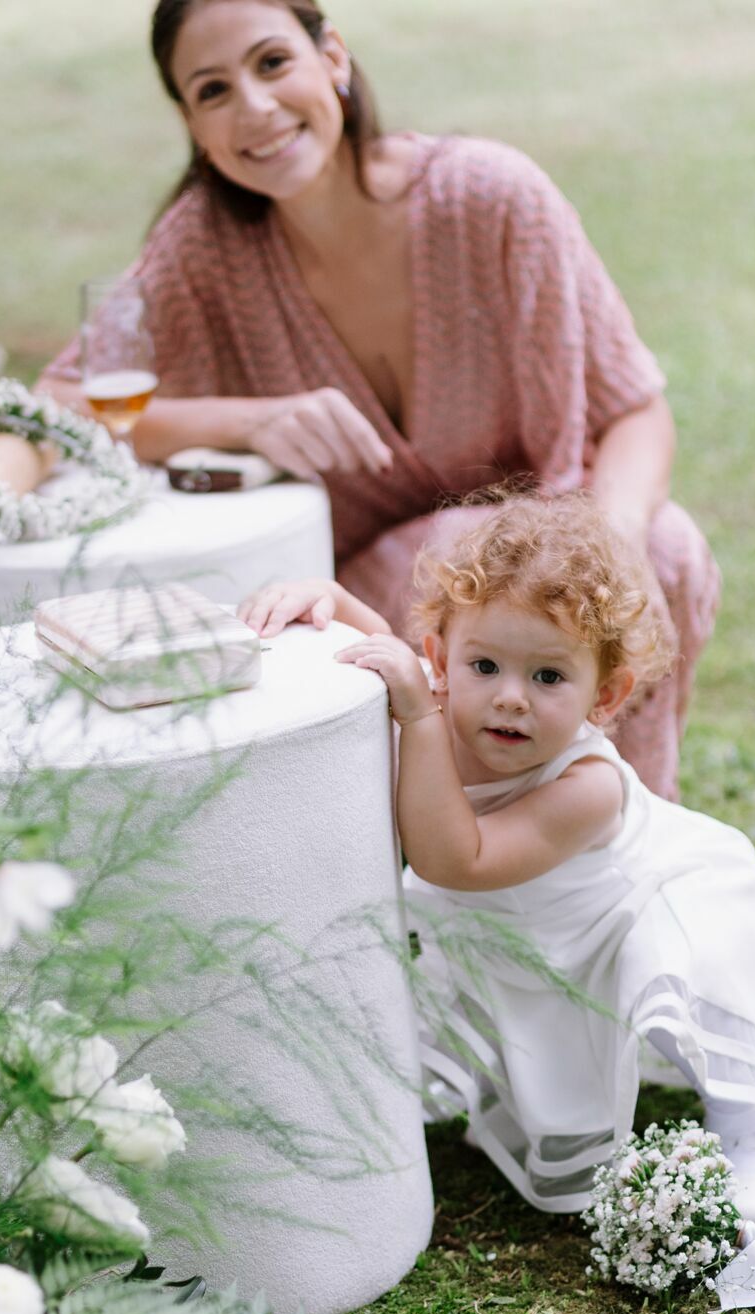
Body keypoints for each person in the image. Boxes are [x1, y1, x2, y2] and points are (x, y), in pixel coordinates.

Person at [39, 0, 720, 799]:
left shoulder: (487, 197)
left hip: (536, 547)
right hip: (355, 587)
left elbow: (634, 408)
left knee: (662, 550)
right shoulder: (205, 248)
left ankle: (627, 826)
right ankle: (451, 849)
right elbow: (58, 403)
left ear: (332, 56)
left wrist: (612, 543)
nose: (254, 108)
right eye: (212, 90)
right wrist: (252, 421)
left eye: (272, 63)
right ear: (192, 122)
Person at [238, 493, 755, 1224]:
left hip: (631, 905)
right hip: (523, 929)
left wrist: (418, 717)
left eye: (548, 678)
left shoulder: (588, 786)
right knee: (524, 1027)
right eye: (483, 665)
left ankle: (751, 1128)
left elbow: (459, 861)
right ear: (439, 659)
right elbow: (372, 644)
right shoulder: (447, 704)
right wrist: (322, 598)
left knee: (672, 966)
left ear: (602, 695)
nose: (510, 699)